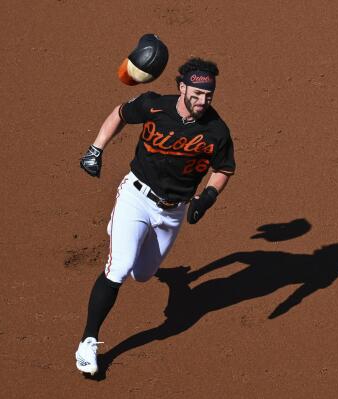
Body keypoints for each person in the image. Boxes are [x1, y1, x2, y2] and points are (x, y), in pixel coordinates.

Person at [74, 57, 235, 375]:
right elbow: (119, 114)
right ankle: (87, 342)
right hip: (136, 196)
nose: (203, 101)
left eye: (209, 96)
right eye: (197, 94)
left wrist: (208, 197)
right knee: (119, 267)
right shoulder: (153, 107)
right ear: (182, 88)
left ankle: (129, 236)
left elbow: (224, 169)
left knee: (143, 274)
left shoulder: (217, 131)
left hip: (174, 211)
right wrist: (96, 149)